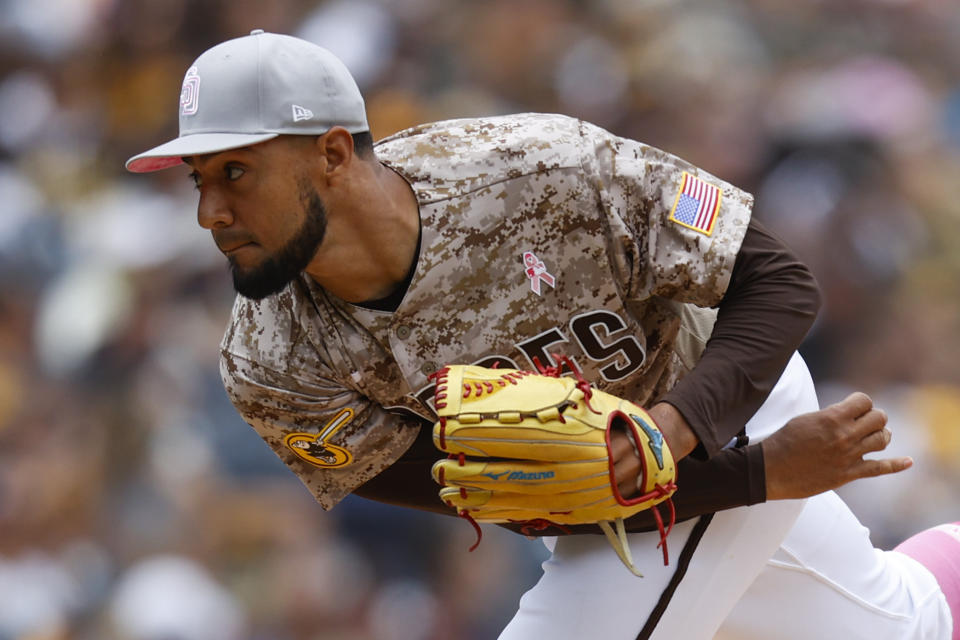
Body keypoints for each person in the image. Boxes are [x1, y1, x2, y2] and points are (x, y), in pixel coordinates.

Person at [126, 30, 958, 640]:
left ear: (334, 153)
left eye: (235, 172)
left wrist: (685, 438)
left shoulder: (535, 168)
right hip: (664, 491)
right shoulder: (269, 361)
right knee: (904, 626)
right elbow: (516, 500)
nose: (210, 213)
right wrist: (756, 482)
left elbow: (778, 282)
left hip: (725, 397)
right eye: (200, 180)